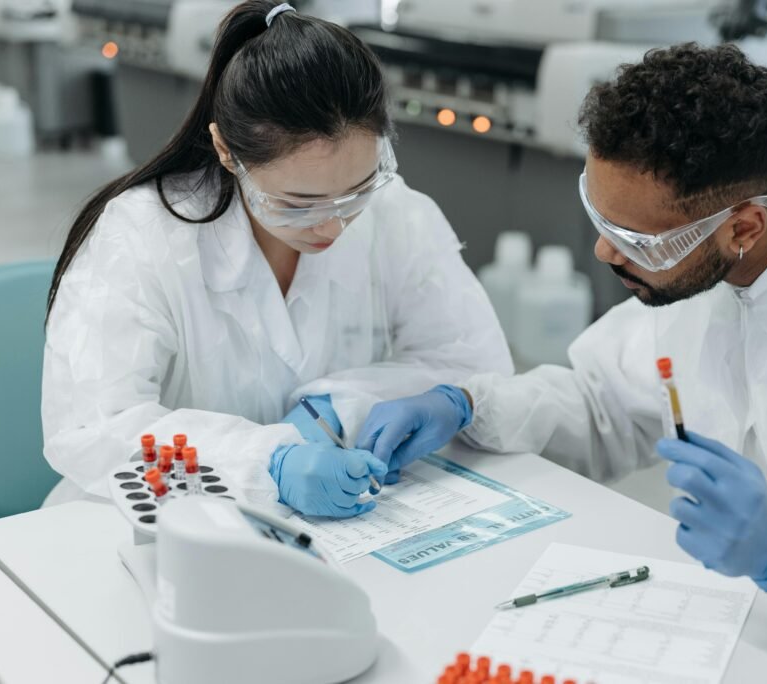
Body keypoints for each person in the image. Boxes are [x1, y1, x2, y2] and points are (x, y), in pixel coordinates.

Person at [353, 43, 767, 655]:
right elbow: (600, 404)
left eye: (635, 239)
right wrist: (467, 406)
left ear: (743, 226)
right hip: (746, 632)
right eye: (598, 217)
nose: (604, 252)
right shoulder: (720, 273)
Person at [41, 1, 511, 518]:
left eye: (357, 191)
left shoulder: (399, 215)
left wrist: (340, 405)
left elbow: (473, 365)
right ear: (225, 150)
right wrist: (268, 463)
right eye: (297, 204)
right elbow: (93, 429)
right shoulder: (141, 236)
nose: (332, 226)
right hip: (155, 525)